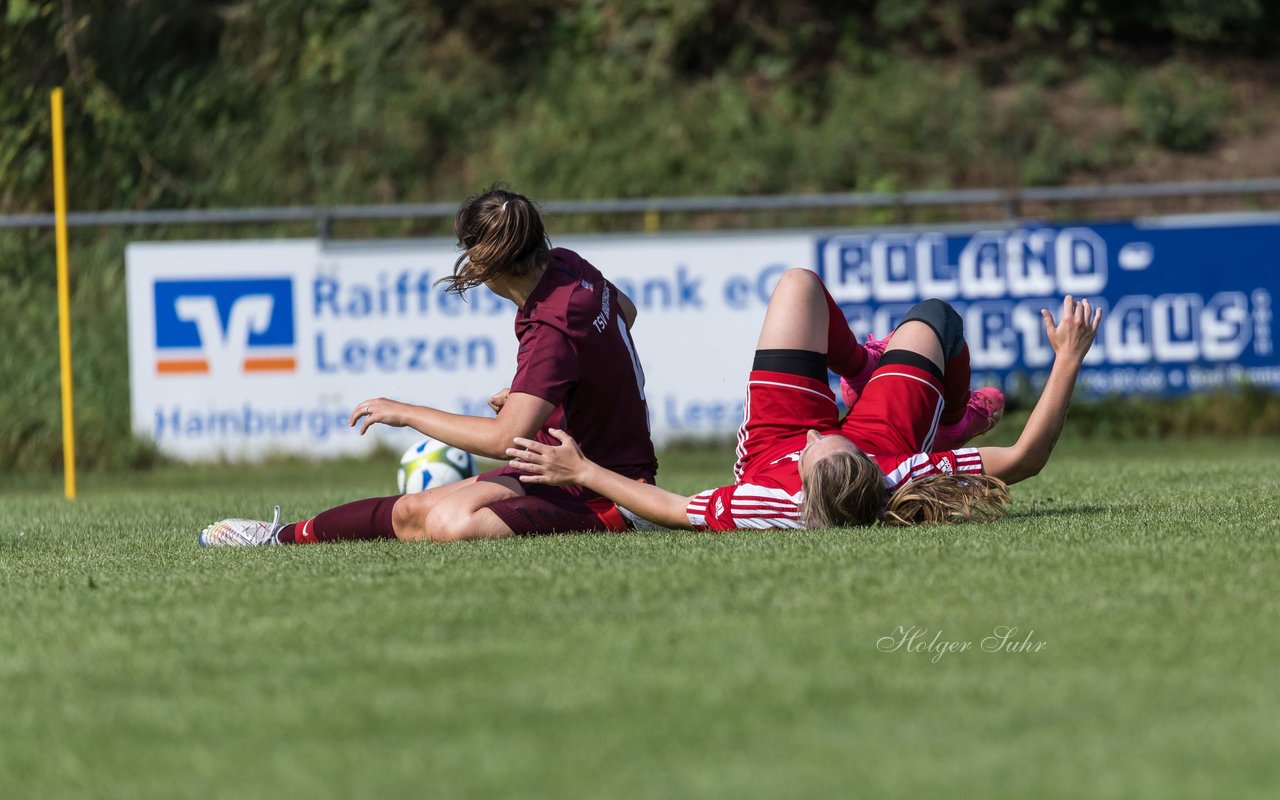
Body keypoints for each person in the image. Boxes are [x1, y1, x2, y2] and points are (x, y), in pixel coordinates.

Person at [198, 186, 657, 546]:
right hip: (561, 468)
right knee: (410, 511)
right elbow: (625, 313)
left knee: (450, 522)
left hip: (610, 491)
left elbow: (503, 439)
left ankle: (636, 522)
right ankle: (278, 537)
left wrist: (406, 412)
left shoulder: (549, 326)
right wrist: (544, 392)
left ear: (486, 261)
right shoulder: (567, 266)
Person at [506, 268, 1101, 530]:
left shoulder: (769, 503)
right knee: (936, 318)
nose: (821, 430)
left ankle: (874, 375)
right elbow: (1025, 458)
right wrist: (1068, 359)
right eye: (829, 434)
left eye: (818, 440)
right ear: (869, 467)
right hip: (890, 436)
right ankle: (939, 412)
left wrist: (583, 469)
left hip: (771, 438)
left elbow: (667, 506)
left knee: (797, 286)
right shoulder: (900, 472)